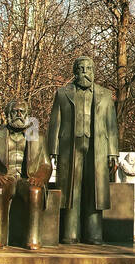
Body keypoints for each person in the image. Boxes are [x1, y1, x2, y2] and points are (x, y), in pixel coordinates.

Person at [46, 57, 119, 244]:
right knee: (71, 189)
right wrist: (52, 148)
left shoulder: (105, 94)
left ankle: (94, 234)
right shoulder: (62, 93)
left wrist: (113, 152)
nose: (85, 71)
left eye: (88, 68)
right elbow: (56, 121)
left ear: (93, 71)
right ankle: (70, 234)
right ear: (75, 71)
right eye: (81, 68)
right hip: (69, 146)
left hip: (98, 147)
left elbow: (111, 125)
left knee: (94, 189)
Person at [0, 100, 50, 250]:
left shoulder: (38, 136)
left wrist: (40, 178)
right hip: (6, 177)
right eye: (15, 111)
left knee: (35, 191)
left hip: (27, 179)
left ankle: (33, 239)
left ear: (27, 115)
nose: (19, 115)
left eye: (22, 112)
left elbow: (46, 164)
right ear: (7, 115)